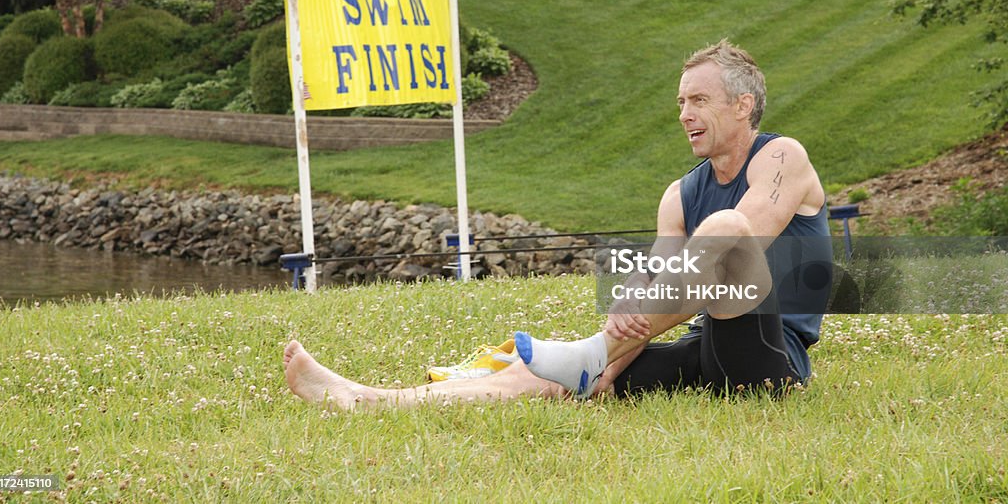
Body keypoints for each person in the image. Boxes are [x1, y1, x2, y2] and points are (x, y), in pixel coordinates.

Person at [284, 39, 832, 408]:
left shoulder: (783, 157)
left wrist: (632, 310)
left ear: (742, 105)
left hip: (766, 362)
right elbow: (663, 273)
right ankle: (374, 400)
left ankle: (591, 352)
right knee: (560, 375)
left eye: (699, 100)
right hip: (702, 347)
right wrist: (629, 314)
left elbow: (742, 236)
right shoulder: (679, 194)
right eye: (680, 101)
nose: (684, 113)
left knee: (726, 231)